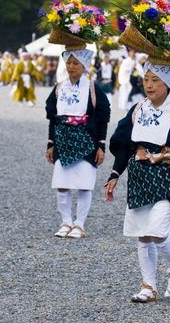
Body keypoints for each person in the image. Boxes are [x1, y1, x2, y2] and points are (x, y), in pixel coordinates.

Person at [105, 62, 170, 303]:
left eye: (155, 80)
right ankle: (148, 286)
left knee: (158, 230)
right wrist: (115, 174)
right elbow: (123, 143)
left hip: (167, 176)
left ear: (168, 83)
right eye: (146, 79)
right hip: (140, 178)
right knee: (143, 234)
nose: (149, 84)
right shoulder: (139, 108)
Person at [45, 49, 110, 238]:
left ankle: (79, 224)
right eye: (69, 63)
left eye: (76, 63)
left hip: (86, 140)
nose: (71, 67)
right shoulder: (59, 88)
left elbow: (102, 118)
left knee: (83, 184)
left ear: (84, 66)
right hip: (63, 139)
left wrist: (101, 146)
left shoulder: (92, 89)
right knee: (62, 183)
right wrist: (50, 144)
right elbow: (53, 117)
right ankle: (66, 222)